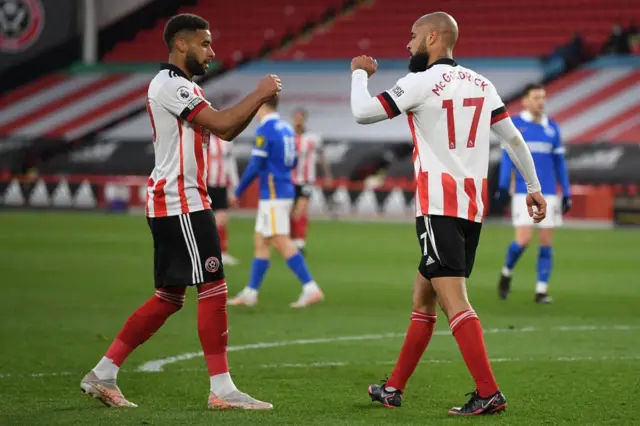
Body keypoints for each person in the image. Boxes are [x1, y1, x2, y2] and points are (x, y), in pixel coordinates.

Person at [79, 13, 280, 410]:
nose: (212, 51)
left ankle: (102, 374)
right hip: (181, 201)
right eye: (205, 43)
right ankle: (222, 391)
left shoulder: (184, 86)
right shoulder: (170, 85)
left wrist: (253, 101)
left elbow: (226, 127)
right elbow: (223, 125)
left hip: (179, 200)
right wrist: (260, 94)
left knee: (169, 298)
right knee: (214, 288)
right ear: (182, 45)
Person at [350, 12, 546, 415]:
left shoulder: (419, 83)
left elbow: (362, 113)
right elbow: (514, 139)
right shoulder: (482, 83)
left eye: (413, 36)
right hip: (470, 210)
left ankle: (489, 392)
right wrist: (533, 188)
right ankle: (393, 388)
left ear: (433, 37)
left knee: (454, 301)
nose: (407, 45)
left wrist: (358, 74)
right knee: (424, 297)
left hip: (438, 207)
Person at [227, 98, 324, 308]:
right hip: (283, 189)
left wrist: (238, 191)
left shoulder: (266, 130)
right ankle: (250, 292)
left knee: (280, 240)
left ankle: (310, 287)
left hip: (273, 194)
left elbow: (255, 164)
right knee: (261, 242)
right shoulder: (286, 129)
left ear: (261, 106)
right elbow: (295, 161)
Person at [495, 84, 571, 304]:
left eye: (543, 97)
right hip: (523, 191)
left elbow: (560, 164)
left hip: (549, 192)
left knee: (546, 242)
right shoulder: (516, 125)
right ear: (526, 101)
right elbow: (507, 157)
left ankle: (541, 290)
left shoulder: (552, 128)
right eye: (536, 97)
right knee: (524, 240)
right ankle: (507, 271)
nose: (541, 101)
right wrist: (502, 185)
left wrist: (566, 192)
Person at [290, 107, 333, 254]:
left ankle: (300, 242)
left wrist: (327, 175)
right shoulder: (287, 137)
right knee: (290, 212)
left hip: (307, 180)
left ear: (305, 120)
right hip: (289, 181)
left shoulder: (313, 138)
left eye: (301, 119)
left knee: (300, 211)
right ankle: (291, 240)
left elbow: (322, 156)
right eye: (296, 119)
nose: (298, 122)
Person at [207, 134, 241, 266]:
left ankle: (222, 253)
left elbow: (231, 164)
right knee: (205, 220)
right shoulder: (204, 140)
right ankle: (204, 251)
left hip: (221, 186)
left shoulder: (227, 142)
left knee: (222, 219)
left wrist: (235, 186)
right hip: (206, 185)